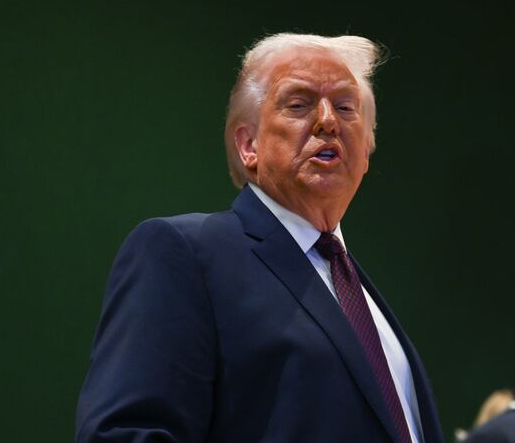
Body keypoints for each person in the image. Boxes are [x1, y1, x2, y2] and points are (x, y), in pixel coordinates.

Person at [75, 33, 445, 443]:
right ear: (249, 145)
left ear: (366, 152)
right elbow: (127, 434)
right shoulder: (185, 253)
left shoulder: (359, 292)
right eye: (299, 104)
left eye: (345, 107)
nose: (328, 121)